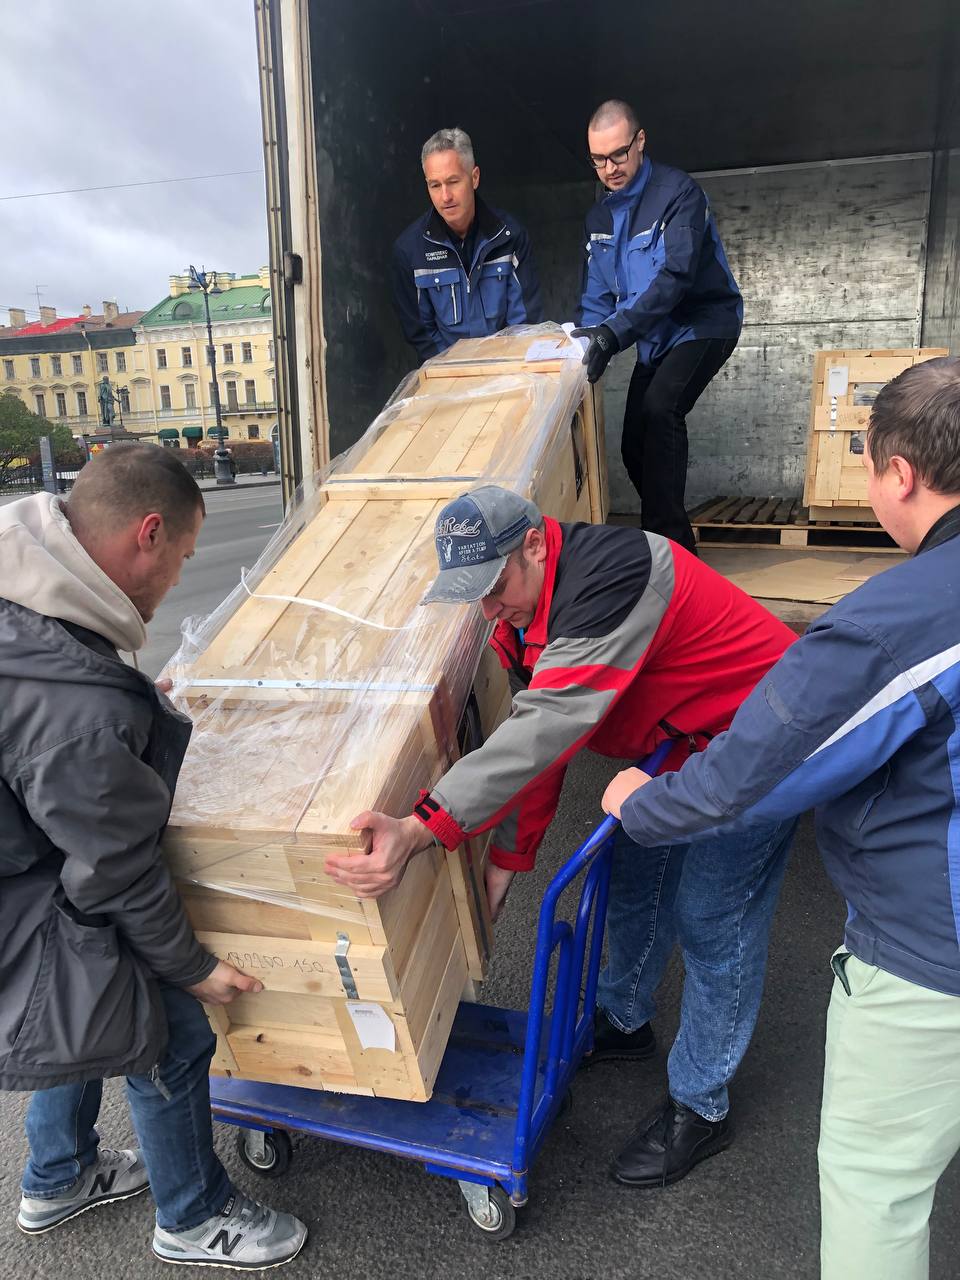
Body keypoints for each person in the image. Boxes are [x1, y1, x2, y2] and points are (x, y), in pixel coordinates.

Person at [600, 357, 960, 1279]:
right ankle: (629, 1026)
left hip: (932, 952)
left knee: (876, 1190)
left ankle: (700, 1105)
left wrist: (645, 805)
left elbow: (759, 773)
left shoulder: (899, 620)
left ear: (898, 474)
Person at [327, 484, 798, 1186]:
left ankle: (702, 1106)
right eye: (474, 596)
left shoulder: (614, 579)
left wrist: (425, 827)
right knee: (634, 873)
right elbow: (540, 742)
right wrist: (505, 860)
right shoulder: (527, 614)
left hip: (760, 737)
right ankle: (625, 1020)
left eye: (494, 588)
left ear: (535, 545)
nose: (488, 610)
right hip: (682, 746)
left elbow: (547, 727)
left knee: (714, 920)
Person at [0, 446, 307, 1269]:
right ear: (148, 534)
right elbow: (117, 869)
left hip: (23, 869)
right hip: (30, 891)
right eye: (183, 555)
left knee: (74, 1010)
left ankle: (58, 1176)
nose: (178, 576)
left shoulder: (25, 583)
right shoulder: (73, 704)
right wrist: (194, 968)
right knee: (164, 1029)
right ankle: (193, 1215)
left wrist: (134, 708)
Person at [572, 100, 742, 552]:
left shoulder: (679, 194)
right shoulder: (599, 218)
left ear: (640, 141)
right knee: (633, 445)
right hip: (654, 339)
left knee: (661, 409)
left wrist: (614, 334)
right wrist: (581, 346)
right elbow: (597, 296)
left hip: (702, 323)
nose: (609, 168)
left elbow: (675, 278)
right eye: (598, 160)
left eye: (618, 154)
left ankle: (672, 552)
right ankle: (666, 536)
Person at [391, 127, 543, 363]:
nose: (445, 197)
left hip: (509, 370)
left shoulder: (510, 237)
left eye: (453, 182)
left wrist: (505, 373)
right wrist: (457, 372)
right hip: (446, 374)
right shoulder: (410, 251)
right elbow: (422, 335)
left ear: (474, 178)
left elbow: (524, 324)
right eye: (435, 185)